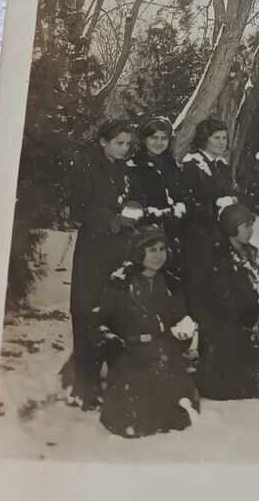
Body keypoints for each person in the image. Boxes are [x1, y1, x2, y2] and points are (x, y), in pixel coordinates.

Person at [91, 226, 200, 438]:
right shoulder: (120, 283)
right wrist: (114, 347)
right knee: (132, 418)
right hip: (130, 356)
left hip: (164, 354)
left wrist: (181, 334)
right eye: (152, 250)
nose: (158, 256)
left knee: (176, 416)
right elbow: (99, 323)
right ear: (139, 251)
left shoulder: (171, 282)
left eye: (162, 249)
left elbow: (182, 318)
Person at [63, 117, 135, 409]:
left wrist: (132, 212)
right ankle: (84, 384)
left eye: (128, 144)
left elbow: (129, 199)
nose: (124, 149)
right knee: (87, 309)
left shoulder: (123, 169)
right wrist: (110, 219)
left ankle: (111, 377)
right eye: (119, 143)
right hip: (93, 249)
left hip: (119, 248)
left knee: (113, 309)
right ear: (104, 141)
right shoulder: (86, 166)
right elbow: (79, 208)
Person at [188, 202, 259, 401]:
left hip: (254, 328)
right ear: (231, 227)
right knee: (232, 387)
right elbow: (222, 299)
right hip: (227, 332)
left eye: (251, 225)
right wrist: (255, 311)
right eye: (246, 226)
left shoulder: (252, 253)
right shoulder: (217, 257)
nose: (251, 230)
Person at [126, 116, 187, 276]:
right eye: (154, 138)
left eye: (163, 138)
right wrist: (153, 215)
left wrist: (180, 210)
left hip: (173, 235)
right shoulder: (133, 167)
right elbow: (133, 204)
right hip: (146, 238)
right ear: (144, 139)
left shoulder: (172, 166)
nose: (159, 142)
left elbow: (181, 195)